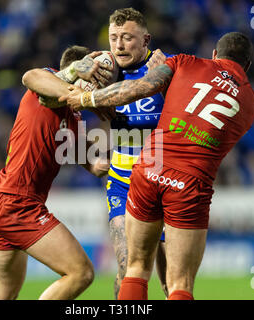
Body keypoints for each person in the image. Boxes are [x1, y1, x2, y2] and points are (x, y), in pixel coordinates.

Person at [60, 32, 254, 300]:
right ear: (247, 66)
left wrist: (87, 100)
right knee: (179, 283)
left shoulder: (185, 62)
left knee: (135, 269)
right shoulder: (251, 103)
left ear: (214, 54)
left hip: (149, 170)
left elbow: (140, 88)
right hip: (188, 184)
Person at [0, 45, 113, 300]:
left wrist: (110, 162)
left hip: (1, 201)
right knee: (81, 273)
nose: (99, 86)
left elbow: (91, 162)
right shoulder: (45, 83)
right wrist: (76, 74)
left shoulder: (74, 119)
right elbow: (29, 76)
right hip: (18, 204)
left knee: (3, 292)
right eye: (97, 79)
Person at [104, 7, 172, 299]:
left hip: (163, 186)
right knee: (127, 270)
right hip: (122, 183)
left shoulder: (164, 70)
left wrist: (169, 82)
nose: (119, 45)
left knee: (172, 281)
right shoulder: (105, 73)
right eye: (114, 37)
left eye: (127, 38)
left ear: (146, 40)